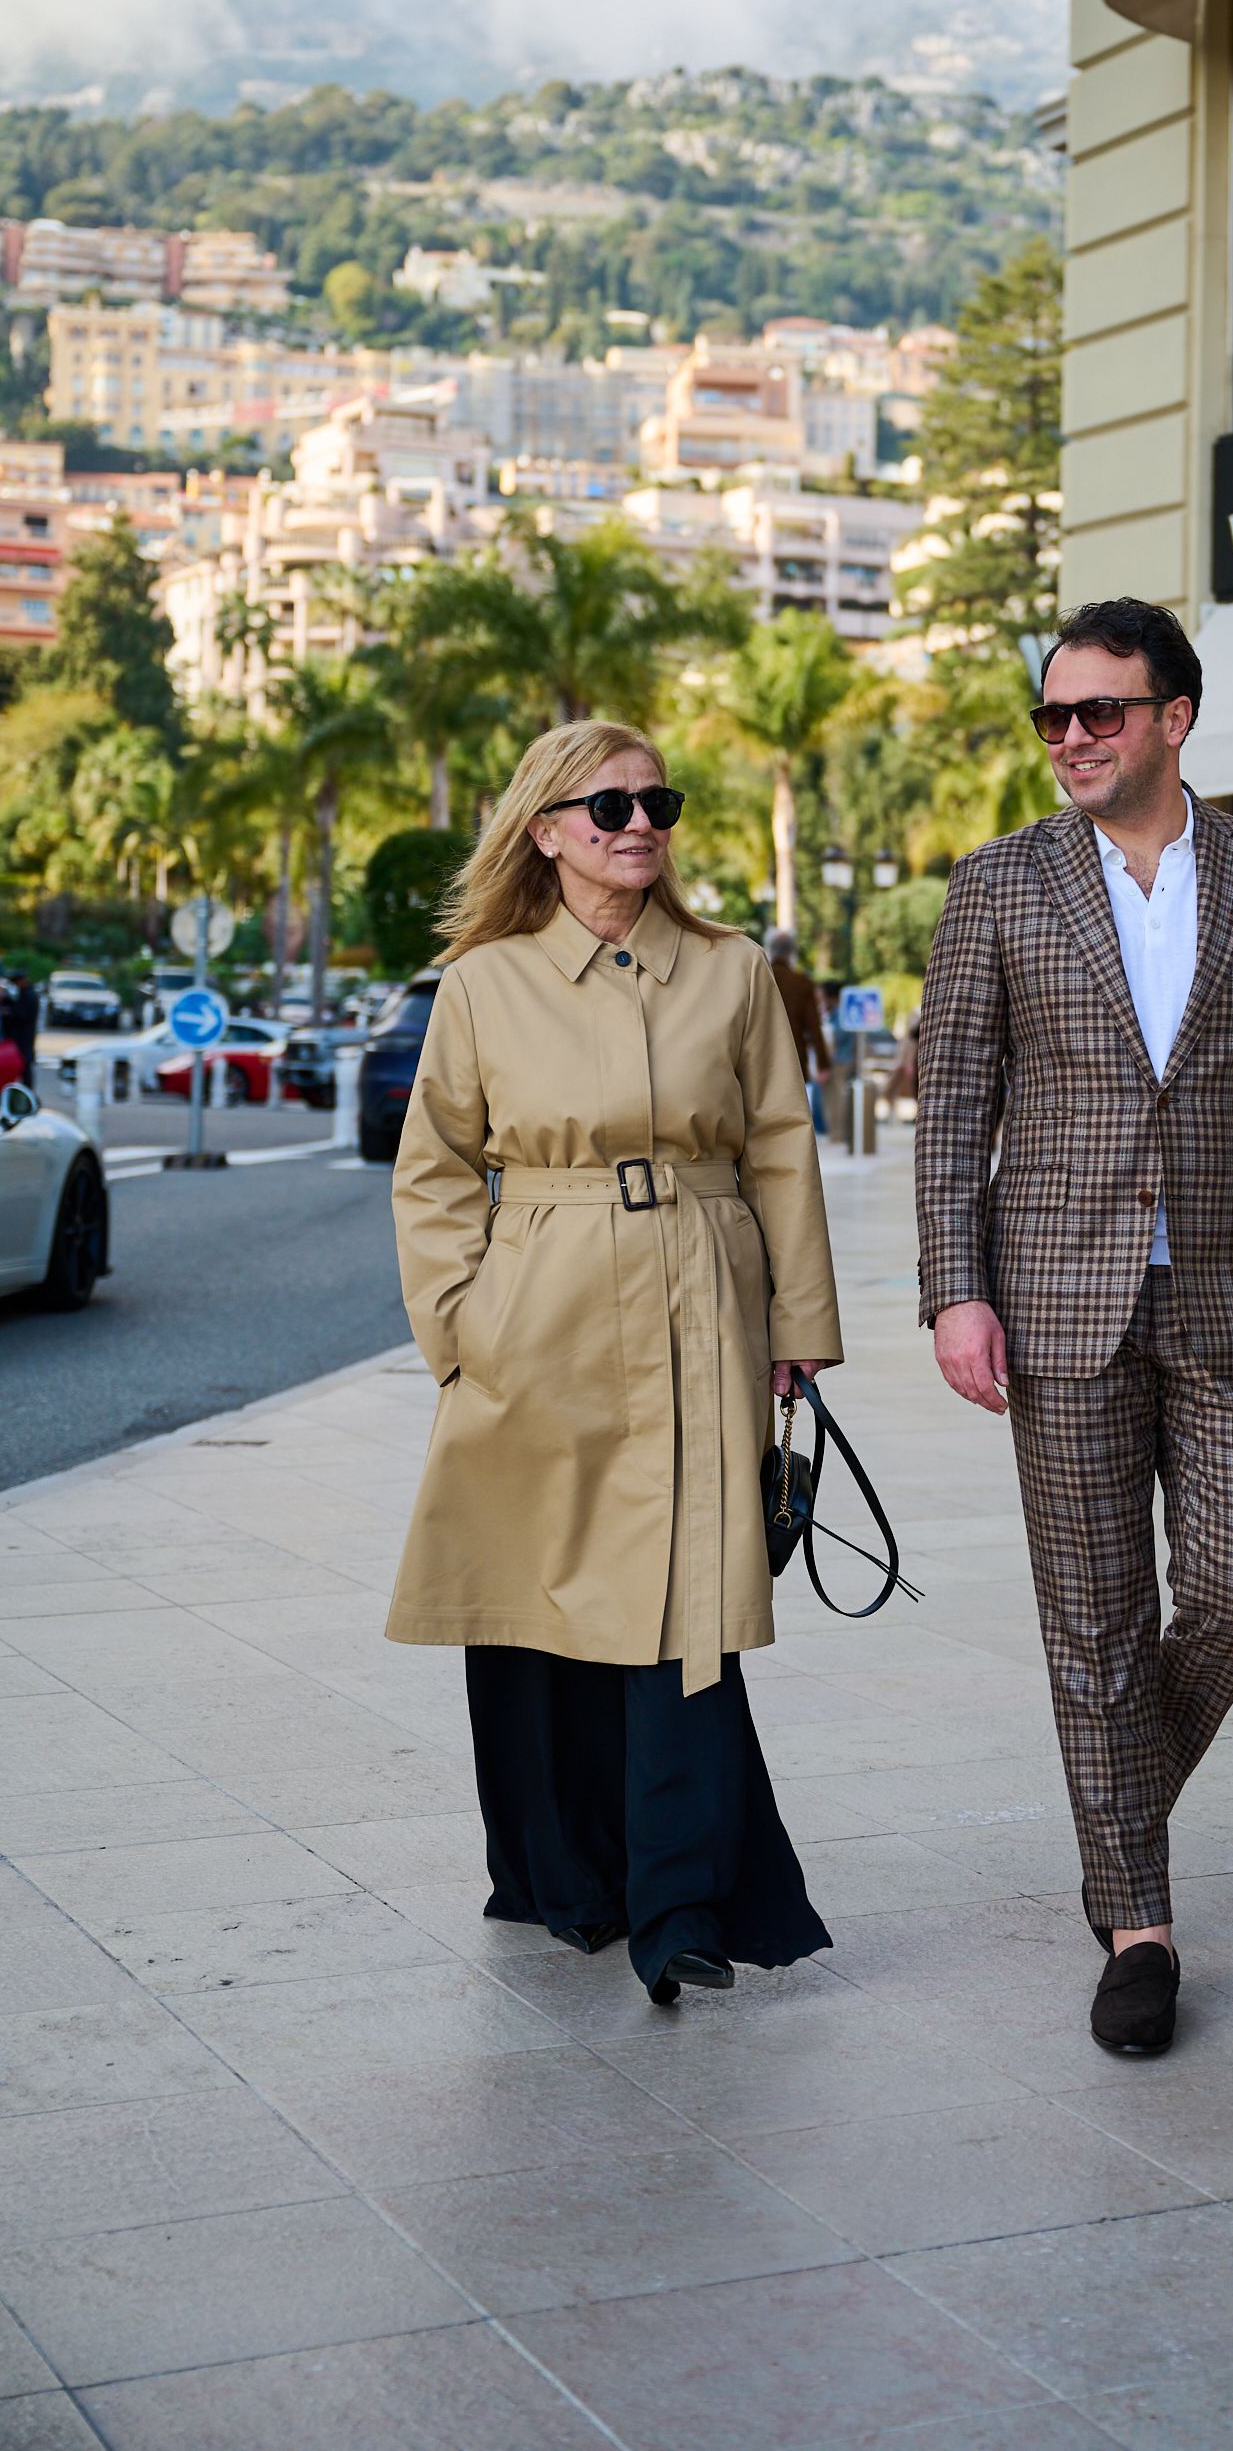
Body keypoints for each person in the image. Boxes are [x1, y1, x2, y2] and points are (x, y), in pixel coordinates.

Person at [915, 598, 1233, 2058]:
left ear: (1174, 716)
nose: (1070, 738)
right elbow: (954, 1112)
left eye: (1099, 712)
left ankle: (1111, 1823)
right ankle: (1140, 1926)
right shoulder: (997, 885)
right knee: (1094, 1622)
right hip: (1054, 1292)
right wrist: (955, 1287)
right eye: (1052, 716)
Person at [387, 719, 842, 2004]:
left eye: (657, 804)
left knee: (690, 1607)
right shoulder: (483, 985)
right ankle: (563, 1877)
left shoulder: (731, 970)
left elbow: (778, 1151)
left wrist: (796, 1332)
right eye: (607, 808)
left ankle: (682, 1900)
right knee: (539, 1606)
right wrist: (463, 1330)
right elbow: (430, 1175)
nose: (637, 825)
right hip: (537, 1310)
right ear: (544, 830)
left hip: (701, 1299)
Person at [766, 926, 831, 1132]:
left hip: (759, 1053)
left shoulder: (757, 977)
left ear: (770, 950)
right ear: (791, 952)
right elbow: (814, 1026)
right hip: (793, 1054)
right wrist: (823, 1062)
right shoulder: (801, 982)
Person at [0, 971, 38, 1093]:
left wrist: (9, 1013)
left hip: (24, 1036)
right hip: (24, 1035)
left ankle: (27, 1089)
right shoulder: (26, 994)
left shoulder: (28, 995)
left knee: (25, 1064)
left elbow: (22, 1014)